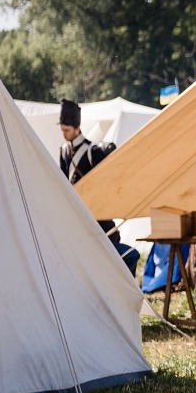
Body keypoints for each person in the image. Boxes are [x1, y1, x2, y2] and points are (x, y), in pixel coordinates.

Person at [57, 99, 137, 274]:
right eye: (62, 130)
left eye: (67, 130)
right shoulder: (63, 151)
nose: (64, 134)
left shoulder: (92, 152)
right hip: (75, 214)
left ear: (77, 128)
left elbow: (106, 185)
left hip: (96, 216)